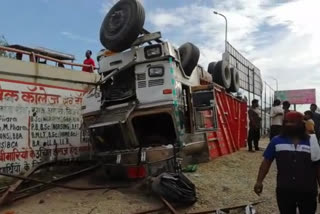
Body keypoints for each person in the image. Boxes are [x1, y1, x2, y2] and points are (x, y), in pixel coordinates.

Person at [254, 111, 320, 214]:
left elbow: (317, 166)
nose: (289, 124)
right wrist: (259, 181)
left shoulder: (312, 141)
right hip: (284, 189)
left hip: (308, 190)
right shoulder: (276, 141)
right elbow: (266, 162)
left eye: (293, 122)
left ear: (301, 124)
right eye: (286, 122)